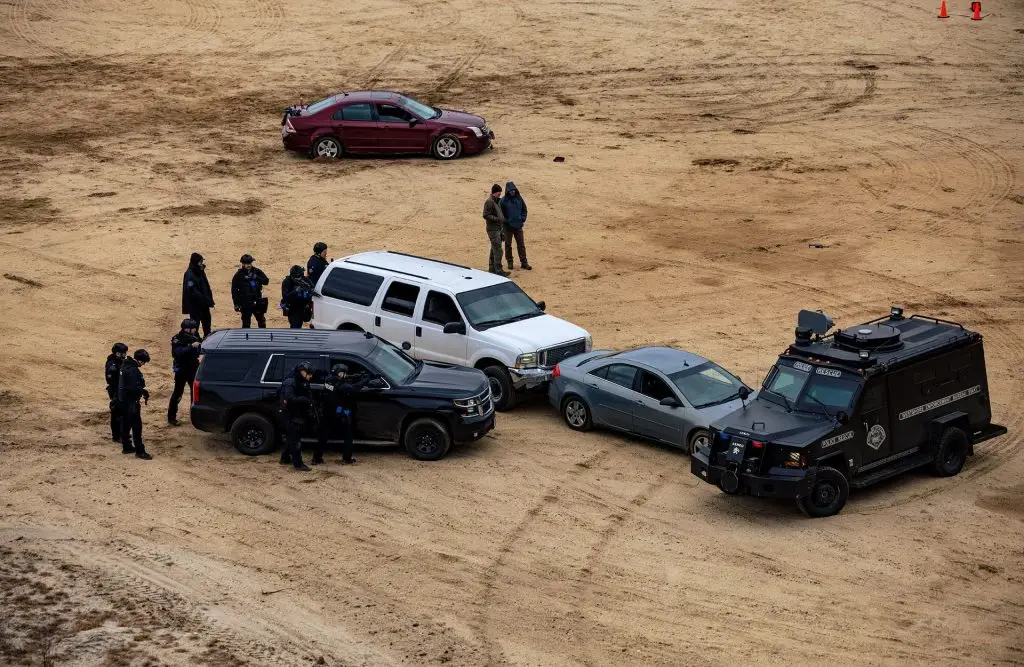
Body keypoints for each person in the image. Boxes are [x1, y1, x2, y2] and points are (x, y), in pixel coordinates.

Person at [314, 363, 371, 465]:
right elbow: (354, 388)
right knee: (348, 435)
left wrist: (356, 377)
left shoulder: (328, 381)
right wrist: (367, 379)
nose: (345, 375)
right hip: (340, 411)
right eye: (343, 373)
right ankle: (347, 458)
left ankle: (316, 458)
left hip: (327, 412)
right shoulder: (339, 384)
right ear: (339, 373)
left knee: (323, 437)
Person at [278, 362, 315, 471]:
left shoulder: (302, 382)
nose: (310, 376)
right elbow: (289, 399)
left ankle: (284, 458)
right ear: (302, 372)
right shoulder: (290, 382)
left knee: (291, 438)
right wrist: (304, 399)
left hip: (298, 414)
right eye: (309, 374)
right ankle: (298, 464)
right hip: (290, 415)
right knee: (295, 440)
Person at [118, 349, 153, 459]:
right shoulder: (134, 370)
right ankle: (140, 451)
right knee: (137, 427)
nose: (143, 364)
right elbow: (133, 388)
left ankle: (127, 446)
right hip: (132, 402)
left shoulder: (125, 366)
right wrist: (142, 391)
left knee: (126, 424)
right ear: (139, 360)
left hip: (123, 401)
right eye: (143, 362)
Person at [167, 319, 201, 426]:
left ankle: (195, 416)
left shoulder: (195, 335)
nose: (195, 330)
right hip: (182, 369)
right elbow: (177, 353)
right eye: (193, 328)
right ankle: (171, 417)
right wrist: (191, 346)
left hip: (193, 368)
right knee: (178, 394)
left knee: (195, 394)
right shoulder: (177, 339)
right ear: (186, 329)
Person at [231, 254, 270, 328]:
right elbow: (234, 291)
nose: (249, 265)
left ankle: (263, 335)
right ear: (242, 264)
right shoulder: (238, 275)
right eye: (247, 263)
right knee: (246, 323)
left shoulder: (257, 271)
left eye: (250, 263)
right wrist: (236, 304)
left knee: (261, 322)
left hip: (257, 300)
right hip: (245, 303)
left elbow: (266, 281)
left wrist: (256, 277)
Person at [500, 181, 531, 270]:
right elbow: (501, 214)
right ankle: (510, 262)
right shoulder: (503, 201)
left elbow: (524, 209)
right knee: (508, 245)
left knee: (521, 245)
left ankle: (524, 262)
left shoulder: (519, 198)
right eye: (511, 190)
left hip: (518, 226)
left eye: (513, 190)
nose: (512, 192)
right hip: (507, 227)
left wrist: (522, 219)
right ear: (508, 191)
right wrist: (506, 221)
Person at [182, 253, 215, 338]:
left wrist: (209, 299)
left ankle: (207, 341)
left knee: (207, 326)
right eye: (200, 262)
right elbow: (192, 291)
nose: (201, 263)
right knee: (194, 327)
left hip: (204, 305)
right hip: (195, 306)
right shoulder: (189, 274)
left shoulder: (200, 271)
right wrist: (205, 299)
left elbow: (206, 286)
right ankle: (195, 342)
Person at [105, 342, 129, 443]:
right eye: (123, 353)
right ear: (117, 353)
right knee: (116, 413)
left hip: (122, 390)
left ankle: (122, 432)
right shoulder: (112, 364)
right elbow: (110, 380)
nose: (124, 355)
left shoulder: (121, 361)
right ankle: (116, 436)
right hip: (116, 391)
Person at [483, 183, 507, 276]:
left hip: (497, 228)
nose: (500, 194)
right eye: (499, 192)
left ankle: (492, 268)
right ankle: (499, 270)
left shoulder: (496, 201)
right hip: (492, 229)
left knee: (494, 248)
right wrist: (497, 219)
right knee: (498, 250)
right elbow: (485, 215)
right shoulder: (490, 201)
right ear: (495, 192)